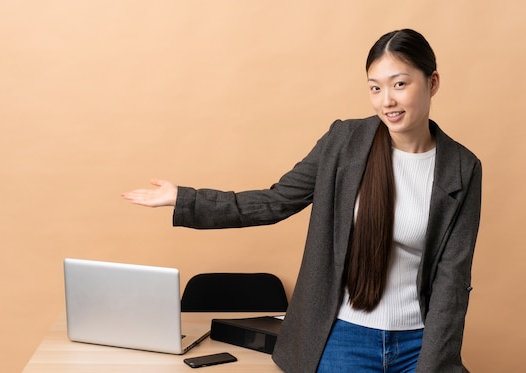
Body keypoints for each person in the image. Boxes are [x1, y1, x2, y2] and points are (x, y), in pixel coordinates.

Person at [122, 28, 482, 373]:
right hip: (343, 336)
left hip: (420, 341)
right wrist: (184, 199)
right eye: (375, 88)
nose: (386, 100)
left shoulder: (462, 168)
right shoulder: (345, 142)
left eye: (399, 84)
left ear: (432, 82)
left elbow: (452, 279)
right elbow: (276, 201)